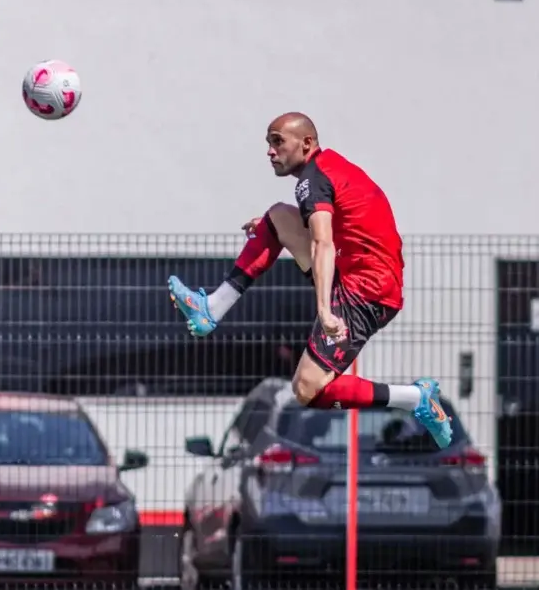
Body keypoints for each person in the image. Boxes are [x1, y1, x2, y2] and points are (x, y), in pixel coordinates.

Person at [166, 112, 453, 448]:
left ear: (306, 144)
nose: (270, 151)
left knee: (306, 389)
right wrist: (280, 228)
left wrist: (325, 311)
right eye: (268, 143)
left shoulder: (312, 180)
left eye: (277, 141)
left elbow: (323, 242)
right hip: (362, 279)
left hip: (365, 291)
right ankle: (211, 308)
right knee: (277, 218)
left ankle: (414, 399)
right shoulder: (324, 171)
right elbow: (335, 226)